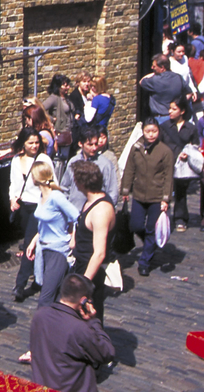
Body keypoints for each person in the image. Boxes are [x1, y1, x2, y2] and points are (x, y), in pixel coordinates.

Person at [16, 163, 79, 363]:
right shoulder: (42, 197)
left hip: (58, 252)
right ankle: (60, 343)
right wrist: (34, 241)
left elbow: (76, 216)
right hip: (45, 249)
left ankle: (36, 349)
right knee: (58, 299)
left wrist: (73, 238)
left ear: (36, 178)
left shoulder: (56, 196)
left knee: (45, 300)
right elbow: (44, 222)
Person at [29, 273, 115, 392]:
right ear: (84, 301)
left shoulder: (40, 315)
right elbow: (107, 352)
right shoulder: (79, 328)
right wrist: (94, 321)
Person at [120, 117, 173, 276]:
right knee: (136, 225)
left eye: (154, 131)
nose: (151, 135)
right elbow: (129, 169)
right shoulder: (136, 148)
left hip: (156, 196)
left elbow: (168, 176)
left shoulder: (165, 152)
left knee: (151, 228)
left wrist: (165, 198)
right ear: (142, 131)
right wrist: (125, 190)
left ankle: (145, 261)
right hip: (139, 193)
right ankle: (151, 243)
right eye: (148, 131)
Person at [9, 127, 53, 302]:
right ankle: (39, 275)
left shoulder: (43, 159)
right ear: (23, 144)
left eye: (37, 143)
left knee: (29, 243)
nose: (34, 146)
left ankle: (20, 285)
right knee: (31, 243)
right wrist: (12, 199)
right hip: (23, 207)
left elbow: (51, 183)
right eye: (31, 143)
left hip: (38, 206)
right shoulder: (16, 160)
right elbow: (13, 184)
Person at [71, 161, 116, 322]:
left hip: (90, 270)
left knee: (90, 318)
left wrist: (84, 283)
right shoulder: (90, 201)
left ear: (81, 183)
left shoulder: (101, 210)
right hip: (80, 264)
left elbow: (99, 253)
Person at [160, 94, 200, 232]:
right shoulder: (164, 126)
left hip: (182, 166)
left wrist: (187, 154)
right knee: (163, 191)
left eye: (173, 109)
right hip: (166, 163)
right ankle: (160, 217)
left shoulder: (191, 128)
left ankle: (180, 218)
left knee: (181, 192)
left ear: (182, 111)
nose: (170, 111)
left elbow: (195, 146)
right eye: (170, 109)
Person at [59, 126, 119, 211]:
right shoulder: (73, 162)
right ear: (81, 144)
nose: (94, 148)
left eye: (96, 144)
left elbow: (112, 192)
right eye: (90, 144)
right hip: (74, 212)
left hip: (96, 214)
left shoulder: (105, 164)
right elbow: (64, 187)